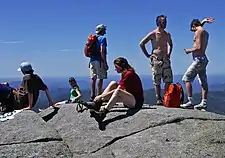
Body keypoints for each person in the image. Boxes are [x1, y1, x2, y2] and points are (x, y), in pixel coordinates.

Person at [89, 57, 144, 122]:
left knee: (118, 91)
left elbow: (118, 90)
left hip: (136, 102)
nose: (115, 69)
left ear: (121, 67)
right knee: (113, 83)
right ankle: (98, 104)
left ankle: (103, 113)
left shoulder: (129, 74)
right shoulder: (125, 73)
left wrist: (101, 96)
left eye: (116, 67)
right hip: (130, 98)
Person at [181, 17, 214, 109]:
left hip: (198, 60)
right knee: (203, 82)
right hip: (203, 59)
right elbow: (200, 27)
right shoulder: (204, 32)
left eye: (192, 29)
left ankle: (190, 101)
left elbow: (198, 47)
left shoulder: (198, 32)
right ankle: (204, 102)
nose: (193, 32)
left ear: (194, 26)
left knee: (186, 79)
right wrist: (204, 21)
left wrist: (189, 50)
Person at [139, 15, 173, 105]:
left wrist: (169, 53)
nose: (165, 23)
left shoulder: (167, 34)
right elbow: (141, 43)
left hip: (165, 58)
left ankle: (166, 96)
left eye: (165, 21)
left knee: (168, 79)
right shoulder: (153, 34)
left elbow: (170, 44)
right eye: (163, 22)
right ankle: (158, 98)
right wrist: (148, 55)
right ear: (158, 23)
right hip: (156, 59)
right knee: (157, 80)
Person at [89, 24, 109, 101]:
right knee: (100, 78)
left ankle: (92, 95)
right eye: (104, 29)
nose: (105, 31)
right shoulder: (103, 38)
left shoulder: (93, 39)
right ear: (102, 30)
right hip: (99, 60)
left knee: (93, 78)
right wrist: (104, 62)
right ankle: (98, 96)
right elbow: (102, 50)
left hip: (92, 60)